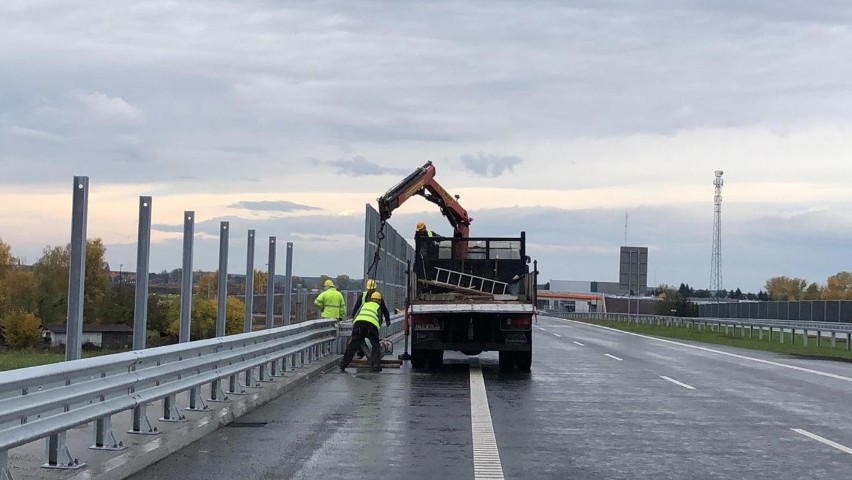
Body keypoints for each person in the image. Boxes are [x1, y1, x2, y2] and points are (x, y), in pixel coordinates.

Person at [340, 291, 384, 372]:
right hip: (371, 325)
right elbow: (380, 320)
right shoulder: (378, 307)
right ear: (379, 301)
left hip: (358, 324)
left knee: (352, 345)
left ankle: (343, 364)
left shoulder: (364, 304)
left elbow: (356, 315)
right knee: (375, 345)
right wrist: (376, 331)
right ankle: (376, 365)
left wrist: (355, 329)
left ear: (371, 299)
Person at [351, 279, 392, 359]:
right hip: (362, 319)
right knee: (359, 338)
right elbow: (357, 307)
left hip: (373, 320)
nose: (371, 291)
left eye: (372, 289)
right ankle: (360, 352)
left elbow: (384, 308)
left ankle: (374, 355)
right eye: (370, 289)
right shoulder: (363, 296)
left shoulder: (377, 297)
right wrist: (353, 317)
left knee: (373, 339)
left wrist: (387, 319)